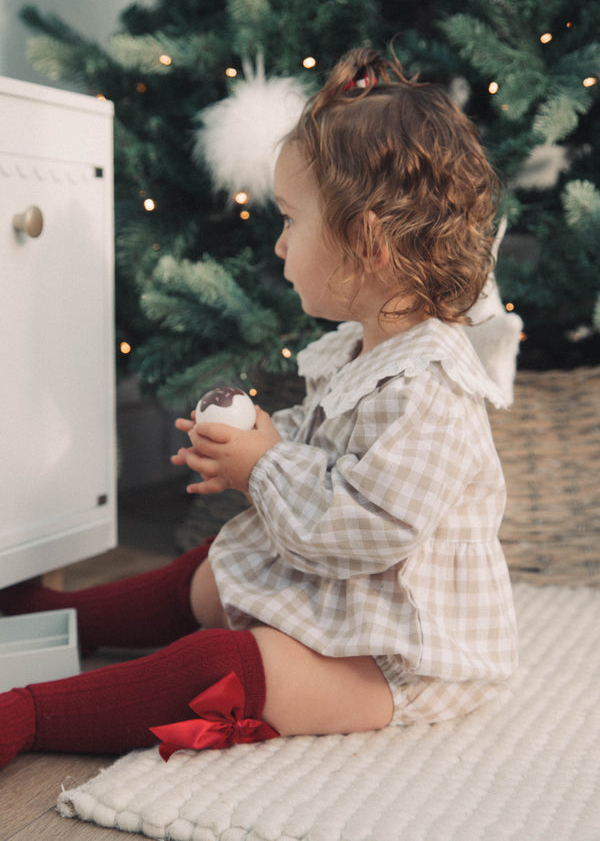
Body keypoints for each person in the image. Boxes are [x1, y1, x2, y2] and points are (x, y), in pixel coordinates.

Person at [0, 47, 517, 770]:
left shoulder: (433, 391)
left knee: (227, 664)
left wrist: (266, 464)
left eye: (288, 220)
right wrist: (255, 448)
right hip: (349, 593)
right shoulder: (359, 349)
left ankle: (26, 716)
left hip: (402, 652)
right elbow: (326, 441)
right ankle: (61, 619)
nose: (277, 243)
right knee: (218, 571)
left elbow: (362, 528)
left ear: (364, 244)